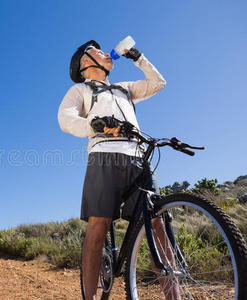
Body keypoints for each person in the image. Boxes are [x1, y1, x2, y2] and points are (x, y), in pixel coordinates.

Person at [58, 40, 179, 300]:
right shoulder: (80, 90)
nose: (105, 53)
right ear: (84, 63)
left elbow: (158, 83)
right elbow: (66, 119)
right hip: (104, 157)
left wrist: (138, 57)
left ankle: (175, 297)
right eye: (97, 51)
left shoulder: (124, 89)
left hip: (138, 157)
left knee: (156, 224)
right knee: (98, 227)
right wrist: (96, 124)